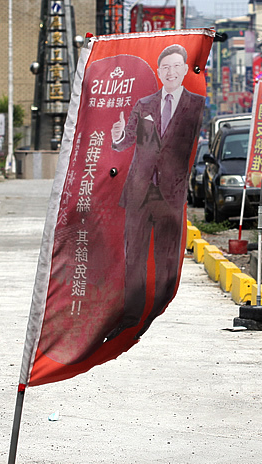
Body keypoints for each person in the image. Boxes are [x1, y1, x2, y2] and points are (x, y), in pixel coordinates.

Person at [107, 44, 204, 341]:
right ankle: (131, 317)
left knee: (166, 258)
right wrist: (118, 135)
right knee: (133, 255)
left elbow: (195, 145)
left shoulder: (196, 105)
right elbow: (126, 143)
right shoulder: (144, 104)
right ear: (159, 72)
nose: (171, 72)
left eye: (177, 66)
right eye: (166, 68)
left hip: (171, 193)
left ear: (185, 70)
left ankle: (156, 310)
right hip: (139, 190)